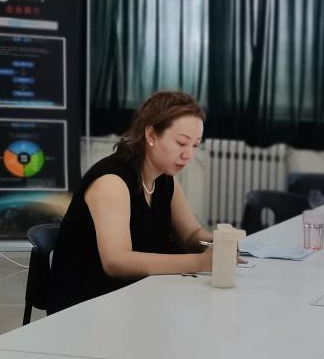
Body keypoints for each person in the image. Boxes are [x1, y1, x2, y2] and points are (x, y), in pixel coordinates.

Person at [47, 91, 225, 313]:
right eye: (181, 143)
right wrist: (199, 263)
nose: (188, 154)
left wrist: (220, 243)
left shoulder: (164, 179)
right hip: (87, 303)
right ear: (151, 135)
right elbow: (116, 262)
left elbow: (190, 235)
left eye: (196, 145)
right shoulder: (111, 181)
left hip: (137, 293)